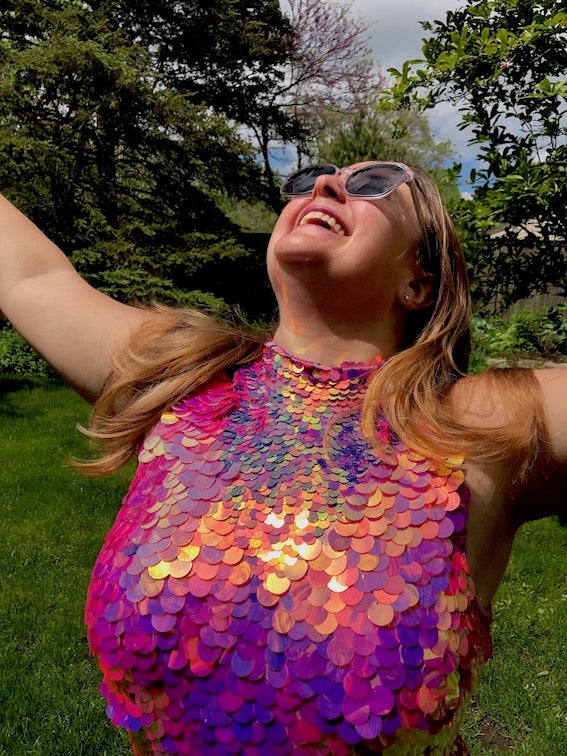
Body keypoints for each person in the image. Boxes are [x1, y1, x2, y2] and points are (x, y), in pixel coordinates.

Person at [0, 161, 565, 755]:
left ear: (418, 281)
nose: (322, 187)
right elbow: (30, 279)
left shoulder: (480, 423)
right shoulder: (183, 378)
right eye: (308, 180)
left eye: (373, 183)